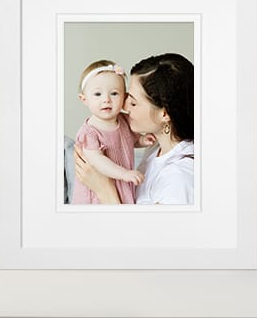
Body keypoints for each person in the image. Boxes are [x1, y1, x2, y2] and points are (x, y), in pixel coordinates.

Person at [75, 53, 195, 206]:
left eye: (133, 102)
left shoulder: (179, 178)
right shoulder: (155, 149)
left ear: (164, 114)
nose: (123, 107)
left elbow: (139, 230)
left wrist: (104, 190)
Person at [70, 60, 144, 205]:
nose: (106, 100)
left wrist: (141, 141)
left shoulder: (123, 121)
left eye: (114, 93)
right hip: (97, 194)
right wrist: (124, 174)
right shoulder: (89, 132)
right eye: (97, 94)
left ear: (124, 97)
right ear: (84, 99)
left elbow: (128, 142)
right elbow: (97, 161)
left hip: (121, 184)